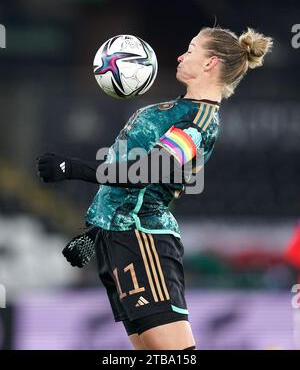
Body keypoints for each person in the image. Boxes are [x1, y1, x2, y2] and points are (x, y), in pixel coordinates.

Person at [37, 26, 273, 350]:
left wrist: (71, 168)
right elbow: (137, 191)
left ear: (210, 63)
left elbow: (144, 173)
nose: (180, 55)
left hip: (144, 240)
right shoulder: (177, 110)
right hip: (121, 238)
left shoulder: (199, 122)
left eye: (191, 49)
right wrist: (96, 233)